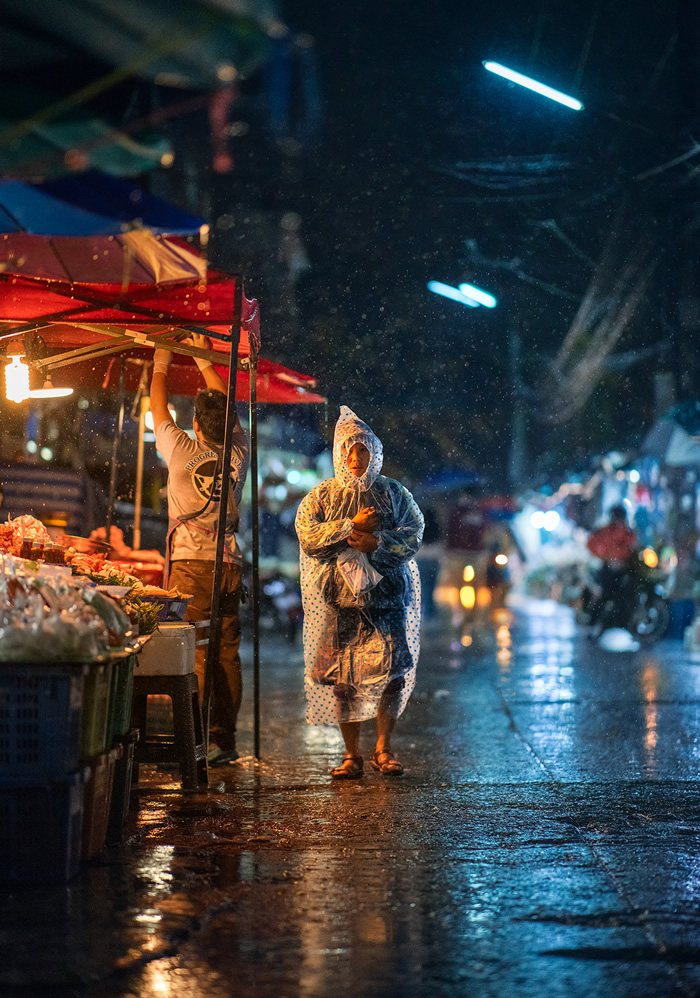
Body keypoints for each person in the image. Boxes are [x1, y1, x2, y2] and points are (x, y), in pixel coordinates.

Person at [295, 405, 424, 779]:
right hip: (341, 604)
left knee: (392, 674)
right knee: (343, 679)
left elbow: (413, 534)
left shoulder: (394, 494)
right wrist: (348, 526)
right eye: (348, 451)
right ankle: (351, 754)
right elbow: (307, 536)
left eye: (362, 450)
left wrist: (377, 544)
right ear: (338, 454)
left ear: (374, 453)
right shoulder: (321, 496)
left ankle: (384, 748)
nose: (355, 459)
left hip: (386, 602)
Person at [150, 334, 249, 766]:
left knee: (198, 651)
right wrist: (201, 357)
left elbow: (157, 407)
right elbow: (227, 408)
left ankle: (202, 738)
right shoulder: (238, 453)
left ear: (195, 422)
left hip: (192, 563)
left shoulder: (180, 448)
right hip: (229, 563)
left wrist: (160, 359)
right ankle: (224, 739)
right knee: (227, 652)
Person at [586, 503, 638, 625]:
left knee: (607, 598)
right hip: (611, 570)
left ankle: (597, 623)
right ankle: (597, 623)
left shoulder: (620, 531)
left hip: (621, 570)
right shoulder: (612, 531)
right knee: (605, 597)